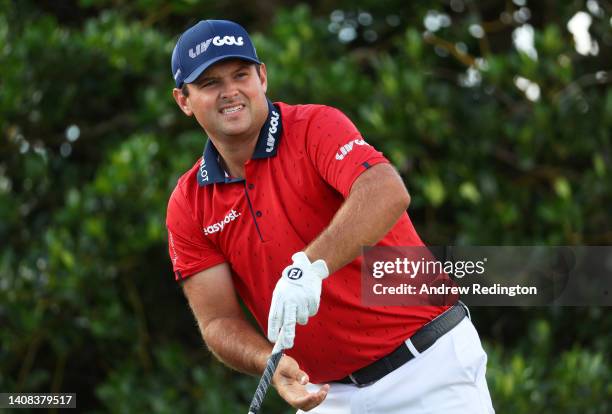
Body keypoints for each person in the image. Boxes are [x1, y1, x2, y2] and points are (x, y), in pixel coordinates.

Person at [166, 19, 495, 413]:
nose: (230, 91)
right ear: (183, 100)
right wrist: (268, 363)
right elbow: (218, 320)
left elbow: (385, 190)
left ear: (263, 77)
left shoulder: (314, 127)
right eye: (210, 83)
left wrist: (308, 267)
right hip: (327, 397)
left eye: (241, 75)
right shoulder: (189, 203)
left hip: (427, 368)